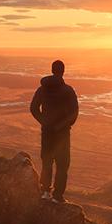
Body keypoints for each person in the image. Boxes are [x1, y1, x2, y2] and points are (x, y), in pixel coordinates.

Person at [30, 60, 79, 203]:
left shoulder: (42, 89)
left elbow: (33, 108)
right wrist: (65, 125)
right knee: (62, 165)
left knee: (47, 162)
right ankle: (58, 196)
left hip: (47, 133)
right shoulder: (68, 90)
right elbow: (74, 112)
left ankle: (45, 192)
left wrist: (44, 122)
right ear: (63, 71)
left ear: (52, 70)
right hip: (62, 134)